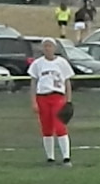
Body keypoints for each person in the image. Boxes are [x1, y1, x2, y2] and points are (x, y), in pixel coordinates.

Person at [28, 37, 75, 167]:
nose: (47, 48)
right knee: (46, 127)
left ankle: (66, 157)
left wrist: (68, 100)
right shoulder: (38, 64)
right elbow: (33, 83)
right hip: (42, 97)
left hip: (57, 96)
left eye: (50, 46)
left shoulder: (62, 63)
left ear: (54, 48)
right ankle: (50, 158)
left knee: (60, 126)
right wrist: (33, 101)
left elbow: (67, 82)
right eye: (45, 46)